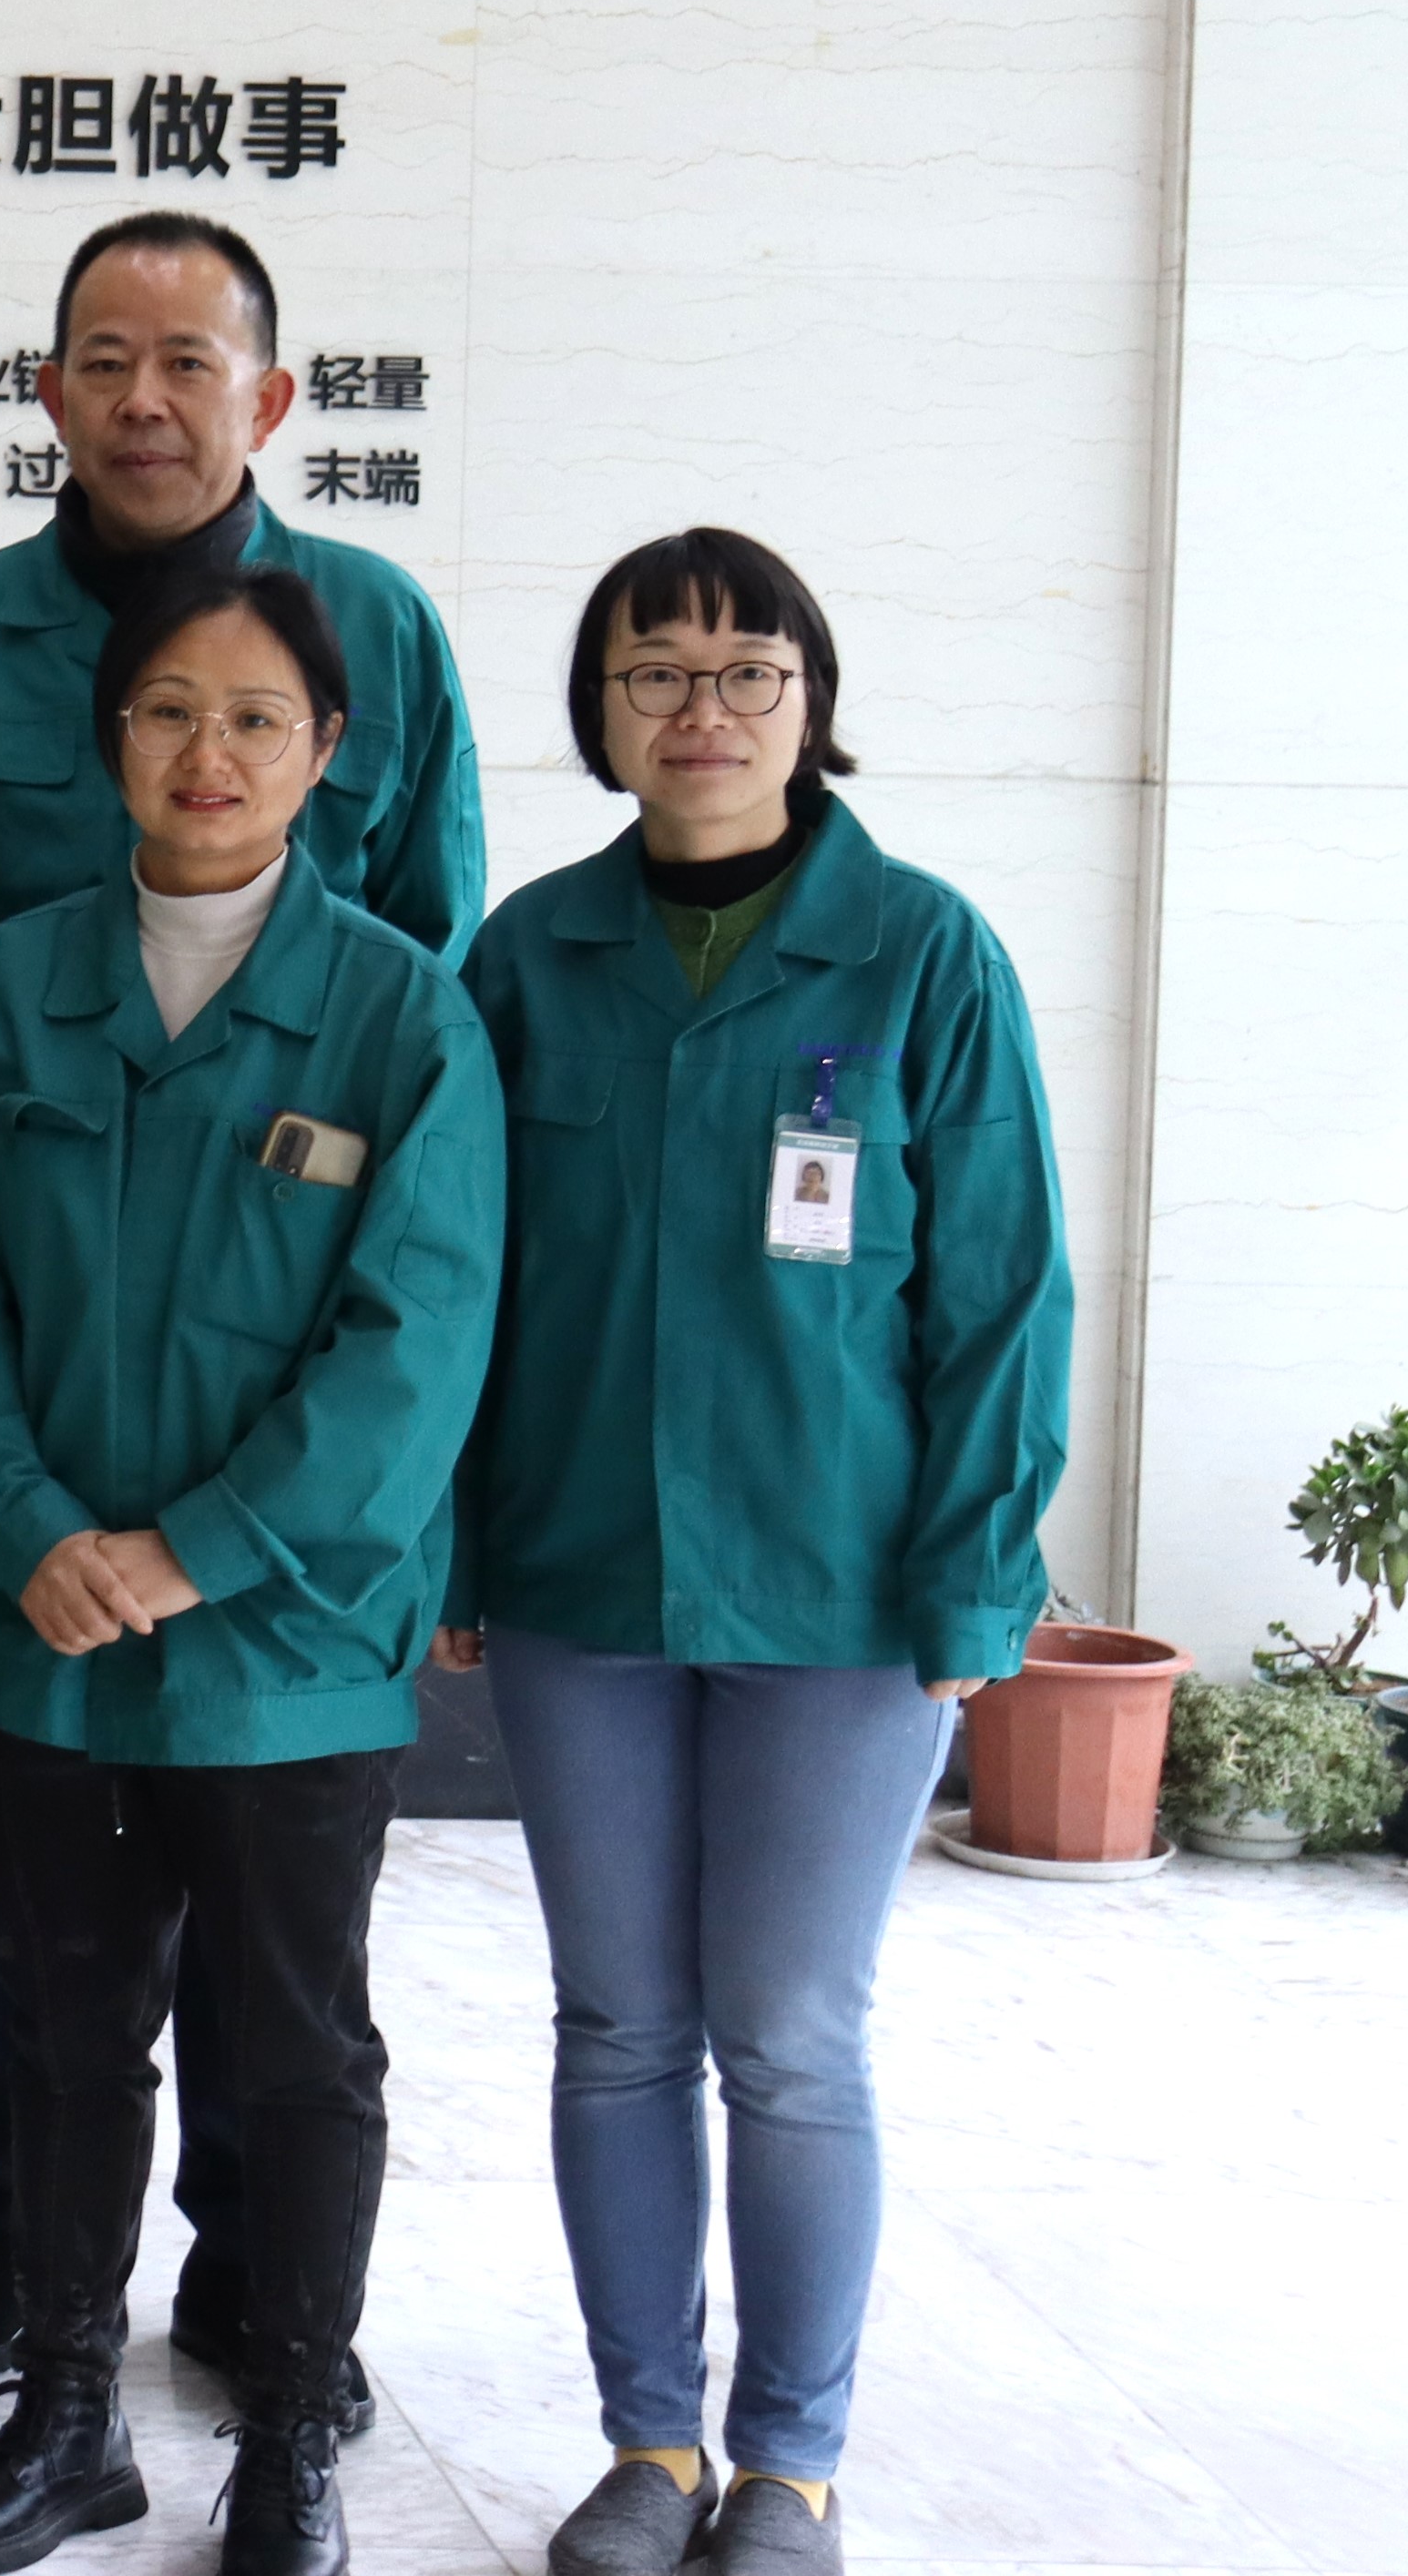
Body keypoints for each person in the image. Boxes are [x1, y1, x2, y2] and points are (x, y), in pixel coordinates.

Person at [0, 210, 485, 2407]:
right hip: (50, 1344)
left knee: (279, 1942)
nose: (145, 396)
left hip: (282, 1372)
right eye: (102, 356)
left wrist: (228, 1512)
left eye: (189, 357)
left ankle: (254, 2279)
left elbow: (429, 973)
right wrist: (16, 1481)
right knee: (36, 1919)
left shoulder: (380, 627)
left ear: (270, 395)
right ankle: (30, 2250)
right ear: (46, 389)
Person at [446, 535, 1069, 2576]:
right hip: (583, 1572)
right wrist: (452, 1551)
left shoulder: (923, 954)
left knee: (790, 2034)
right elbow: (454, 1283)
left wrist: (977, 1577)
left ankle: (791, 2464)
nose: (702, 709)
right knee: (617, 2024)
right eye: (655, 671)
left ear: (812, 699)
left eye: (747, 669)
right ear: (599, 709)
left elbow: (1005, 1293)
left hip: (843, 1590)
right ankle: (649, 2447)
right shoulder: (531, 957)